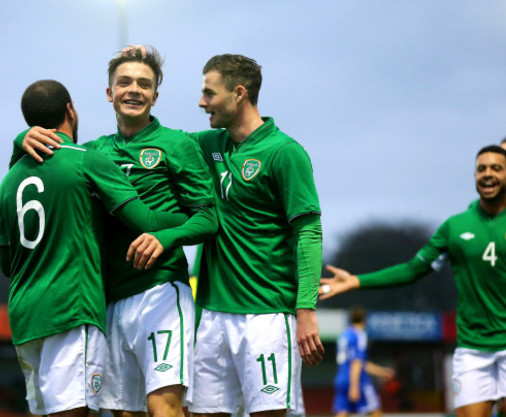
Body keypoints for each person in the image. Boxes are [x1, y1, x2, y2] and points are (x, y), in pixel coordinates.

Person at [10, 49, 218, 417]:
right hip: (108, 300)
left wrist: (164, 238)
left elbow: (207, 219)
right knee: (123, 412)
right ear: (109, 93)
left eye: (144, 84)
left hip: (161, 291)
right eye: (124, 82)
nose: (134, 90)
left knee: (164, 406)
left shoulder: (178, 145)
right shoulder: (93, 151)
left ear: (156, 95)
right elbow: (40, 171)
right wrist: (20, 140)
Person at [320, 145, 506, 417]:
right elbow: (412, 270)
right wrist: (356, 281)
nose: (487, 174)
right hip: (472, 348)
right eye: (481, 168)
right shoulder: (456, 227)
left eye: (496, 168)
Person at [187, 53, 324, 417]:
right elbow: (153, 142)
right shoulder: (208, 145)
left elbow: (308, 233)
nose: (202, 102)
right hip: (213, 315)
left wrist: (306, 308)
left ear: (239, 94)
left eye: (209, 93)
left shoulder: (285, 152)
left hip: (266, 317)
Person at [333, 306, 394, 417]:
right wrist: (354, 386)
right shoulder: (359, 335)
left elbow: (356, 362)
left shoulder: (344, 335)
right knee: (375, 411)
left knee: (342, 412)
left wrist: (382, 372)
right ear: (365, 320)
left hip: (341, 378)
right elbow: (357, 362)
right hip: (359, 380)